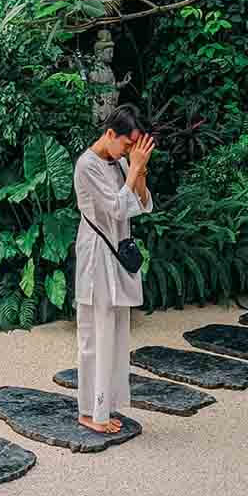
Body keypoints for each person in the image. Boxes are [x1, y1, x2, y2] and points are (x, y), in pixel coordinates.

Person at [72, 105, 155, 434]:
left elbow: (142, 204)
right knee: (95, 335)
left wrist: (139, 170)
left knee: (117, 333)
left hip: (117, 253)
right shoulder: (86, 165)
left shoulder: (121, 162)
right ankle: (90, 412)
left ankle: (106, 405)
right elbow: (116, 209)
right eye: (128, 143)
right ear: (110, 133)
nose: (130, 150)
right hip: (96, 256)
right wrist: (133, 170)